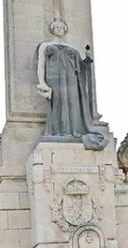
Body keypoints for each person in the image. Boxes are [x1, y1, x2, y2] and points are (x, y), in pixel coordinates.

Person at [35, 17, 107, 150]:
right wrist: (42, 83)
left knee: (74, 104)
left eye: (61, 27)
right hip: (54, 78)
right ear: (52, 29)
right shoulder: (45, 45)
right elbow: (41, 65)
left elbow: (80, 67)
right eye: (56, 27)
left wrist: (87, 60)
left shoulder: (72, 47)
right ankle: (58, 132)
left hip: (71, 79)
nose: (59, 29)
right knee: (58, 103)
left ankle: (75, 132)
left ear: (65, 29)